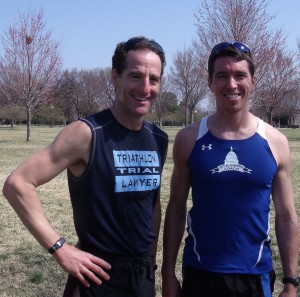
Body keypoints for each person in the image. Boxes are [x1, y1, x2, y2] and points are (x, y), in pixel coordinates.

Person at [2, 36, 168, 297]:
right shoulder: (86, 134)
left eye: (154, 79)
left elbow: (152, 203)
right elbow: (17, 184)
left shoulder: (158, 138)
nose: (145, 88)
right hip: (96, 275)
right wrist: (61, 249)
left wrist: (151, 258)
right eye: (135, 76)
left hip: (142, 276)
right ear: (115, 77)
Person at [161, 41, 299, 297]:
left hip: (254, 276)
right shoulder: (188, 139)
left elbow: (287, 216)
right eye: (222, 75)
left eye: (240, 75)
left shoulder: (275, 142)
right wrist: (167, 274)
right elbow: (176, 208)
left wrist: (291, 281)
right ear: (210, 82)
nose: (231, 84)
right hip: (201, 273)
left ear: (253, 80)